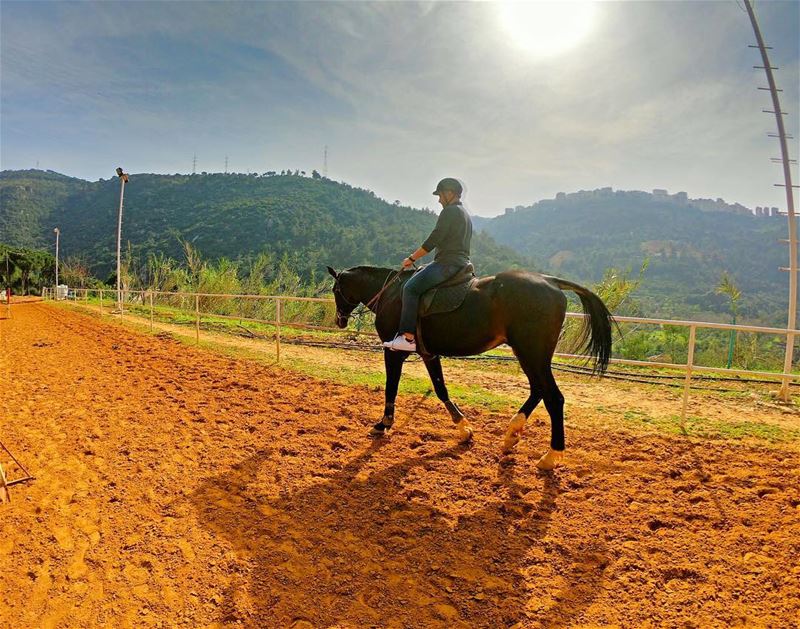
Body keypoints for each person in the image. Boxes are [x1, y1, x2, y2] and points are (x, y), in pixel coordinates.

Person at [383, 177, 473, 352]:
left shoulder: (450, 212)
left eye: (440, 195)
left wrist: (412, 258)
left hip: (447, 264)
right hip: (462, 264)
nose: (439, 200)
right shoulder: (465, 214)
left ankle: (407, 338)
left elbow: (434, 239)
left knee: (410, 288)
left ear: (449, 193)